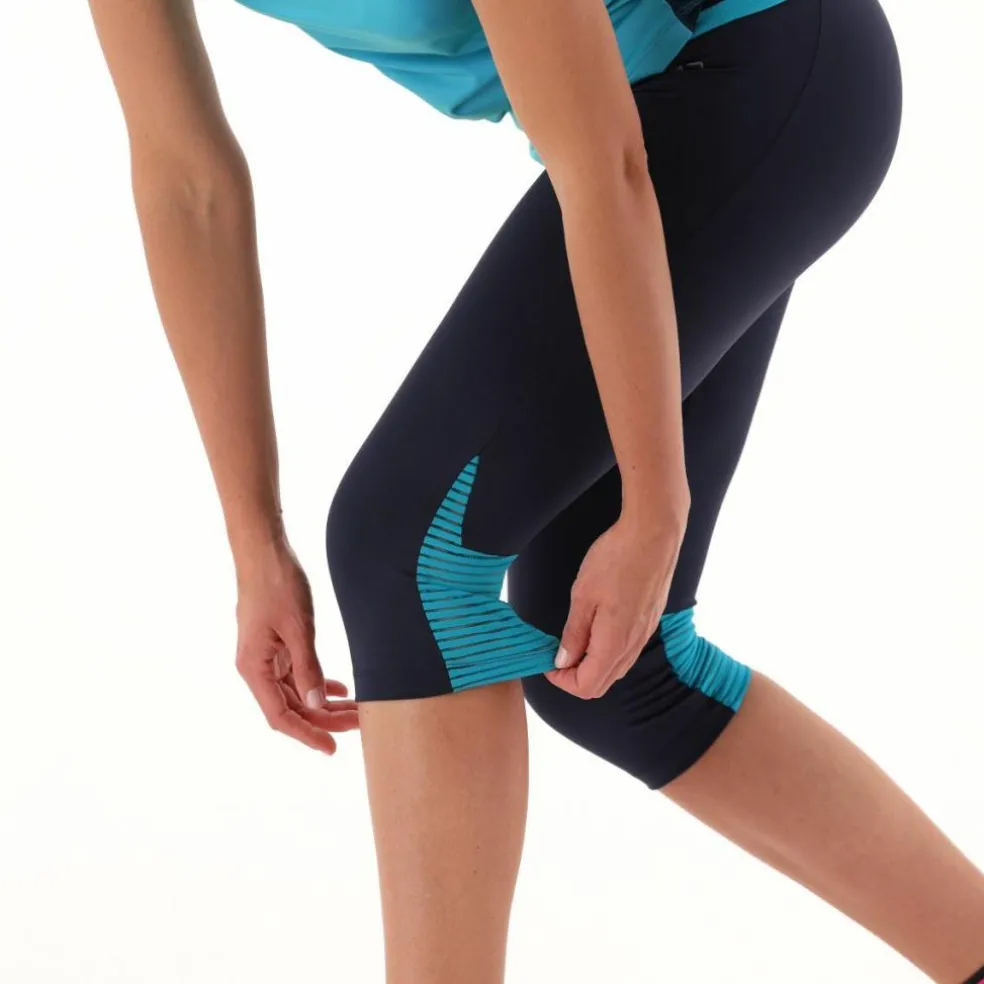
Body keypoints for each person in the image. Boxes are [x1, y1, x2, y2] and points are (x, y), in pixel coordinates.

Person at [87, 0, 984, 980]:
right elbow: (185, 183)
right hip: (660, 110)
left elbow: (605, 163)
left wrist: (655, 503)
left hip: (754, 64)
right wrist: (255, 545)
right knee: (610, 665)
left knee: (403, 547)